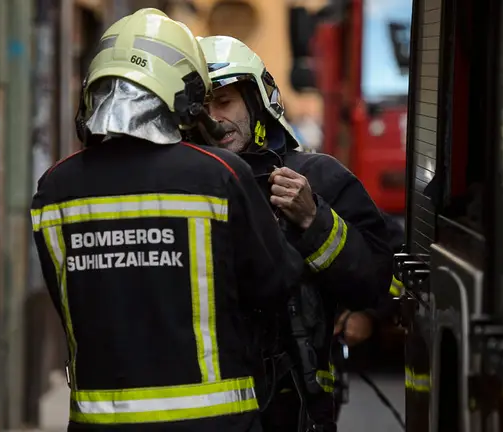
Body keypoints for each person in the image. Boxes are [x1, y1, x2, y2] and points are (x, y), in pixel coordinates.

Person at [30, 10, 302, 431]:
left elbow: (69, 300)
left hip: (99, 423)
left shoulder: (53, 189)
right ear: (185, 91)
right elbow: (275, 282)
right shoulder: (220, 175)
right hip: (212, 421)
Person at [194, 35, 393, 431]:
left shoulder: (320, 178)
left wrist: (314, 221)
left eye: (224, 101)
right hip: (205, 409)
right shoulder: (179, 185)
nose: (215, 119)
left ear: (257, 101)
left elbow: (374, 281)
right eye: (202, 107)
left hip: (296, 407)